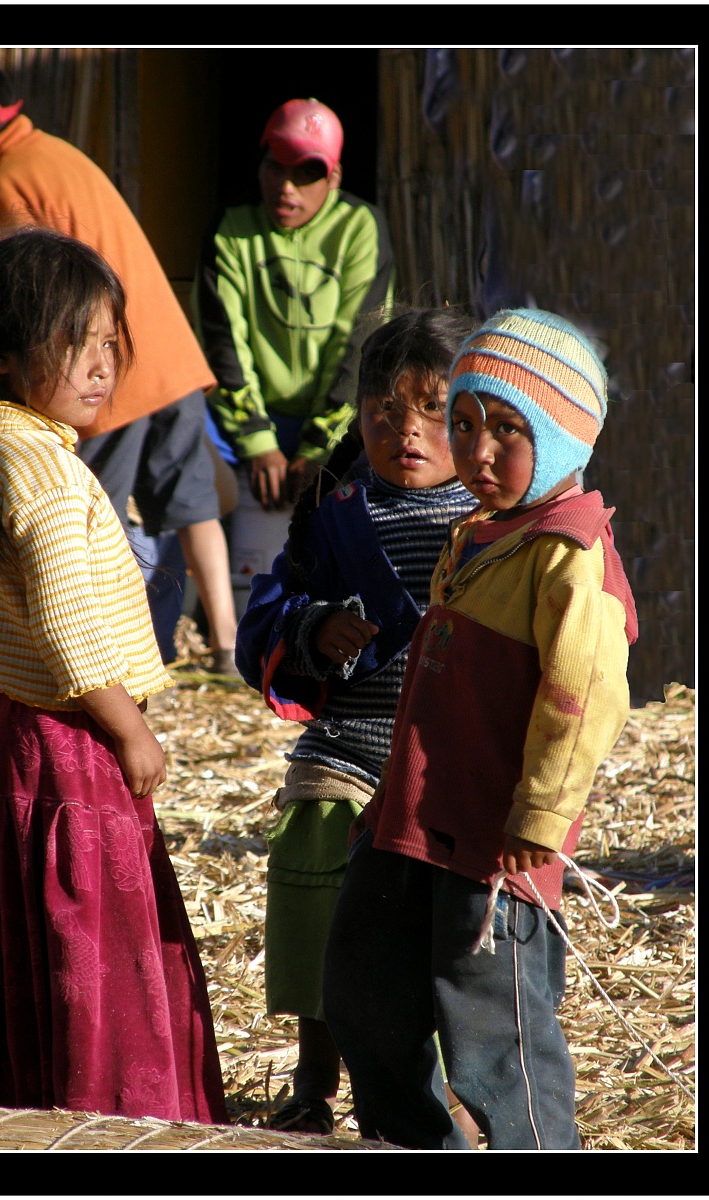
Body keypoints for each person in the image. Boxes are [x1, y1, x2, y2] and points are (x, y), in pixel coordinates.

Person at [0, 226, 228, 1122]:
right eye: (76, 343)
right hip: (64, 743)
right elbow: (65, 629)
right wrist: (131, 728)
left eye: (107, 342)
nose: (102, 365)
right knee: (89, 953)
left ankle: (3, 1118)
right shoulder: (48, 475)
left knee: (7, 945)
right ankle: (103, 1127)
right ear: (0, 353)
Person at [322, 307, 639, 1150]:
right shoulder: (480, 535)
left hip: (492, 849)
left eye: (508, 430)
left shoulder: (567, 561)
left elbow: (584, 700)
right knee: (364, 993)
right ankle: (416, 1151)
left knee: (495, 1038)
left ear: (564, 442)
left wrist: (538, 820)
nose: (476, 451)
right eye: (462, 424)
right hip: (409, 823)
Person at [0, 48, 238, 671]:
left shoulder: (3, 183)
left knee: (89, 520)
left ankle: (107, 652)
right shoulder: (59, 152)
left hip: (102, 373)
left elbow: (14, 301)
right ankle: (227, 642)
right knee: (191, 505)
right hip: (163, 352)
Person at [234, 307, 481, 1138]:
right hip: (347, 748)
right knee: (314, 881)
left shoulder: (489, 527)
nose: (402, 429)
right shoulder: (334, 513)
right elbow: (265, 619)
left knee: (432, 929)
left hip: (446, 762)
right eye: (383, 409)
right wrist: (310, 629)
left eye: (429, 410)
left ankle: (431, 1084)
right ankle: (313, 1076)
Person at [192, 97, 396, 592]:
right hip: (245, 421)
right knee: (191, 474)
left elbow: (360, 347)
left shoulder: (359, 229)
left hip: (333, 422)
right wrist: (259, 443)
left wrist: (322, 447)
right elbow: (224, 344)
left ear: (334, 176)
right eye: (274, 167)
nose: (286, 187)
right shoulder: (233, 230)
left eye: (306, 172)